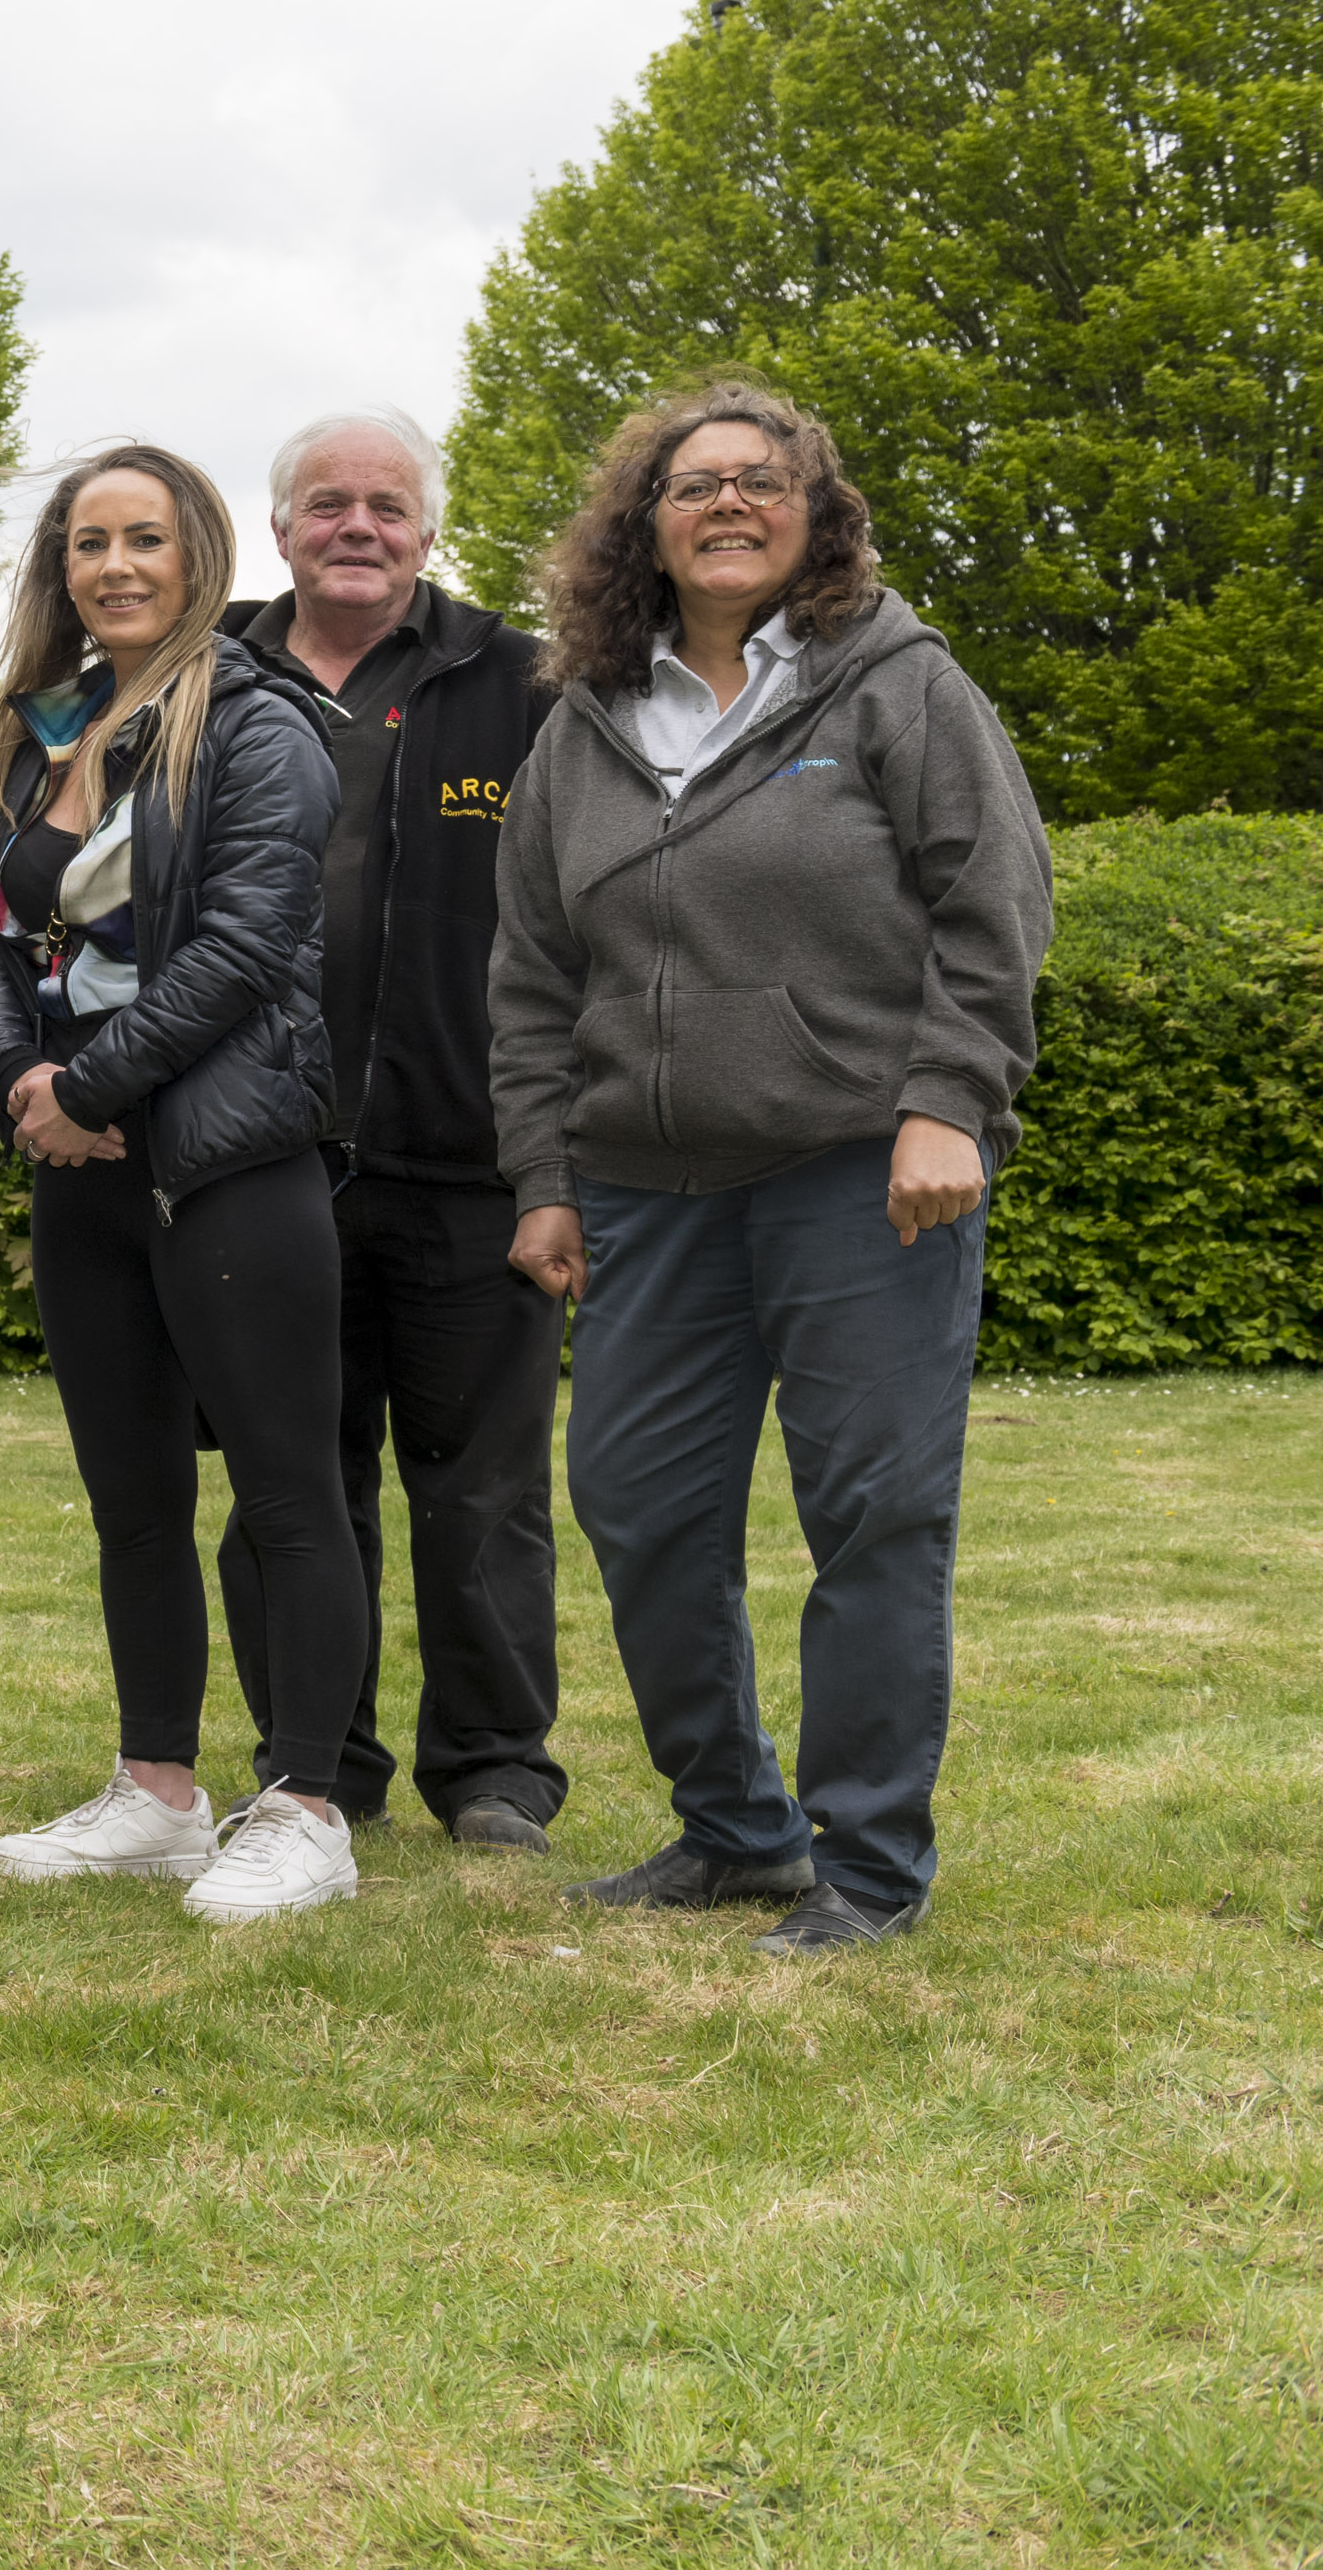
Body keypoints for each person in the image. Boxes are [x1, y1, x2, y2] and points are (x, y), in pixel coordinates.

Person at [489, 383, 1049, 1954]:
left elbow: (992, 904)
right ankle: (735, 1831)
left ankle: (866, 1865)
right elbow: (531, 976)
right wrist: (544, 1173)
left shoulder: (895, 680)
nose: (726, 503)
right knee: (635, 1503)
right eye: (692, 484)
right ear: (642, 526)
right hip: (645, 1190)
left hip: (858, 1174)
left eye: (762, 479)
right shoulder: (585, 722)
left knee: (872, 1509)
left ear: (817, 511)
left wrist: (949, 1099)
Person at [0, 442, 376, 1924]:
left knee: (285, 1492)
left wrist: (87, 1086)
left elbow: (245, 946)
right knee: (129, 1500)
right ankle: (157, 1795)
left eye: (145, 538)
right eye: (88, 542)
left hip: (226, 1162)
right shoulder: (42, 728)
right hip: (81, 1172)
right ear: (58, 568)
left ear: (197, 555)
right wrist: (23, 1087)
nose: (115, 565)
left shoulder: (263, 726)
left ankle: (310, 1805)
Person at [207, 410, 572, 1851]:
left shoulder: (528, 682)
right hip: (259, 1162)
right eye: (325, 504)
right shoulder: (203, 672)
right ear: (281, 524)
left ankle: (493, 1770)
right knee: (290, 1482)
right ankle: (317, 1765)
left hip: (472, 1159)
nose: (355, 526)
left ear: (429, 530)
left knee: (480, 1488)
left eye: (386, 505)